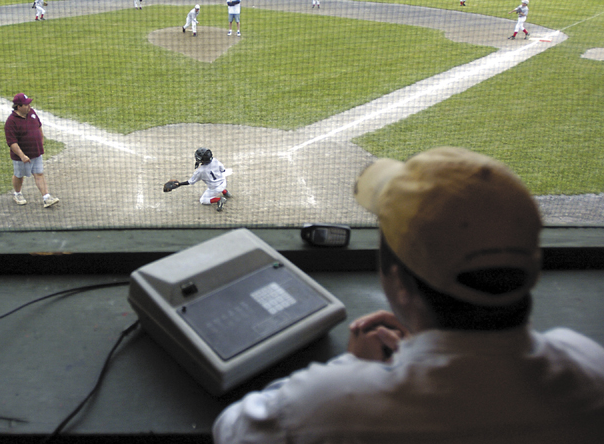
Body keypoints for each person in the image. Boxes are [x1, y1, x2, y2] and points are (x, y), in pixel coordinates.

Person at [213, 146, 604, 443]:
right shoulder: (588, 365)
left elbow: (229, 429)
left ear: (398, 282)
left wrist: (352, 368)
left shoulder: (325, 403)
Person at [4, 93, 59, 208]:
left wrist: (41, 141)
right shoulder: (11, 122)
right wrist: (22, 155)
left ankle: (46, 197)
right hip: (21, 156)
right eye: (26, 104)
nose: (29, 106)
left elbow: (38, 126)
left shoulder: (32, 113)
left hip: (36, 152)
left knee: (39, 173)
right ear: (18, 106)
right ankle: (17, 193)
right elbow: (12, 142)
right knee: (19, 175)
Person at [171, 148, 232, 212]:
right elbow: (223, 170)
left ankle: (219, 199)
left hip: (215, 189)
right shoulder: (215, 160)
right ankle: (225, 192)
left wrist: (180, 184)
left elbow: (190, 182)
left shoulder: (200, 171)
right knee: (218, 180)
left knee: (203, 200)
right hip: (224, 182)